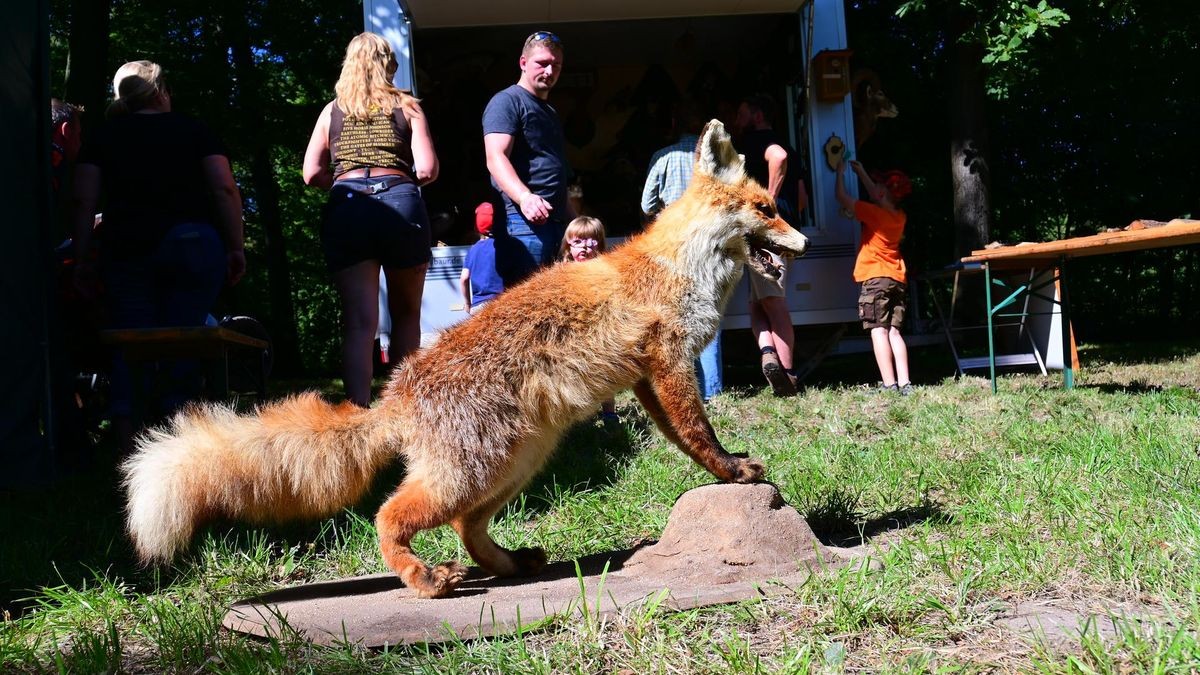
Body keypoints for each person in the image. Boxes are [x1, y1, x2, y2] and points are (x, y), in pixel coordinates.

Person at [69, 60, 245, 452]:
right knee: (184, 339)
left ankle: (127, 446)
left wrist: (81, 258)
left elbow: (83, 199)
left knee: (131, 342)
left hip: (127, 249)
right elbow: (225, 190)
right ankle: (179, 446)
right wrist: (235, 246)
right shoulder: (196, 131)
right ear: (162, 90)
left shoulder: (103, 137)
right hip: (194, 245)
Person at [303, 32, 439, 407]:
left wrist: (347, 184)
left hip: (348, 209)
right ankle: (403, 411)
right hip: (399, 204)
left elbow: (311, 173)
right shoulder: (408, 106)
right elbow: (426, 169)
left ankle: (357, 414)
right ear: (388, 65)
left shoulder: (332, 110)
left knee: (360, 323)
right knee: (407, 315)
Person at [641, 97, 723, 402]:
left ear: (674, 124)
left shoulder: (663, 157)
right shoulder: (714, 161)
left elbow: (646, 204)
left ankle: (688, 392)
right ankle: (714, 393)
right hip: (709, 246)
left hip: (673, 248)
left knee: (678, 321)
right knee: (708, 315)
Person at [483, 30, 573, 287]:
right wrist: (525, 198)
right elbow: (495, 157)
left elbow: (555, 172)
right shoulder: (507, 101)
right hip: (523, 225)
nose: (549, 70)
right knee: (525, 312)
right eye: (542, 63)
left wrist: (575, 220)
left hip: (554, 225)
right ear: (523, 63)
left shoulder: (549, 111)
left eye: (556, 65)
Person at [733, 94, 807, 397]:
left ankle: (788, 378)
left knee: (773, 304)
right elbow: (802, 197)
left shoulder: (759, 140)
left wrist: (768, 203)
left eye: (741, 113)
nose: (737, 120)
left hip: (768, 235)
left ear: (758, 115)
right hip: (777, 236)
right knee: (757, 303)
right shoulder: (789, 143)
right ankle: (768, 352)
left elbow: (777, 157)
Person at [835, 159, 914, 395]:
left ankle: (889, 385)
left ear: (882, 192)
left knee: (877, 330)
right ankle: (904, 383)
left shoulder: (874, 214)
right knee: (894, 332)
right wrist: (861, 173)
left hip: (876, 278)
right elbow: (879, 193)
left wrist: (840, 174)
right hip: (897, 278)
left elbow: (842, 198)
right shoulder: (899, 217)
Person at [558, 216, 617, 421]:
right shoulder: (562, 272)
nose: (583, 248)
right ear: (568, 246)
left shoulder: (604, 270)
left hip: (599, 329)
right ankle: (579, 417)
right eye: (577, 242)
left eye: (590, 242)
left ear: (599, 244)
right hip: (573, 332)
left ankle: (609, 414)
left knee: (604, 372)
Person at [459, 202, 504, 314]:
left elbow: (464, 278)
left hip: (479, 306)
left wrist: (467, 303)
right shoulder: (506, 246)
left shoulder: (473, 250)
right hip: (502, 302)